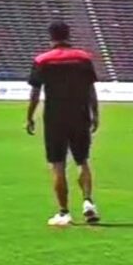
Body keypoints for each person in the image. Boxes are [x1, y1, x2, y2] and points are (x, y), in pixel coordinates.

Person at [25, 22, 101, 227]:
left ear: (50, 37)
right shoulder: (83, 58)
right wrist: (96, 114)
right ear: (68, 35)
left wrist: (29, 116)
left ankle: (64, 211)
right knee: (82, 160)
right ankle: (88, 201)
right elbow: (90, 89)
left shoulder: (42, 60)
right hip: (80, 114)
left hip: (55, 117)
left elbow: (35, 93)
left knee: (57, 164)